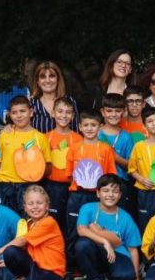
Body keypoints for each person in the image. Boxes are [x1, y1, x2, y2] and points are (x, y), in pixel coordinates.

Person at [0, 185, 65, 280]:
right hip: (34, 268)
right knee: (11, 252)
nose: (35, 207)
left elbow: (22, 241)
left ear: (47, 206)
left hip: (51, 272)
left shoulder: (49, 222)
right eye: (30, 203)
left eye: (39, 203)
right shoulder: (28, 224)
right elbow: (21, 250)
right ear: (25, 207)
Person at [74, 174, 142, 280]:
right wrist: (105, 241)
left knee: (127, 276)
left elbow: (133, 249)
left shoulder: (125, 217)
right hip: (97, 250)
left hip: (118, 255)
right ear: (98, 193)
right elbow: (81, 230)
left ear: (120, 195)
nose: (110, 195)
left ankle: (106, 279)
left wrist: (136, 277)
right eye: (105, 191)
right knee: (82, 245)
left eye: (115, 191)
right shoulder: (87, 208)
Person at [65, 110, 117, 262]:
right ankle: (73, 265)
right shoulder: (74, 148)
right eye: (86, 125)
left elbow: (110, 175)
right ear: (80, 127)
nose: (89, 128)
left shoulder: (106, 149)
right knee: (73, 229)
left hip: (97, 197)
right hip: (77, 195)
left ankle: (98, 261)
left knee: (97, 228)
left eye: (93, 125)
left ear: (99, 127)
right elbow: (69, 175)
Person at [0, 95, 50, 214]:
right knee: (5, 223)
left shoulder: (40, 138)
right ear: (10, 115)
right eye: (14, 112)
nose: (19, 115)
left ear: (31, 112)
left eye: (22, 111)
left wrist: (34, 175)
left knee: (27, 223)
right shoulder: (4, 135)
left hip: (28, 187)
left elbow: (48, 166)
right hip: (4, 185)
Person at [44, 97, 82, 235]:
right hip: (52, 186)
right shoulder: (45, 138)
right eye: (60, 111)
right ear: (53, 113)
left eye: (68, 112)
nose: (64, 115)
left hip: (73, 187)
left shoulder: (79, 139)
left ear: (72, 116)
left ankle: (70, 255)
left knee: (71, 224)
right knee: (53, 223)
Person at [98, 93, 136, 214]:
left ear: (124, 112)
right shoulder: (94, 133)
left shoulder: (126, 137)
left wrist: (113, 156)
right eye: (109, 111)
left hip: (119, 185)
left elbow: (130, 165)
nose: (113, 114)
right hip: (97, 183)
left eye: (117, 111)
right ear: (103, 112)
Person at [29, 61, 77, 133]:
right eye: (43, 77)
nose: (47, 80)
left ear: (58, 79)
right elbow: (21, 128)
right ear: (37, 81)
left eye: (52, 76)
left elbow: (76, 129)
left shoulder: (69, 100)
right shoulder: (31, 103)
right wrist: (10, 126)